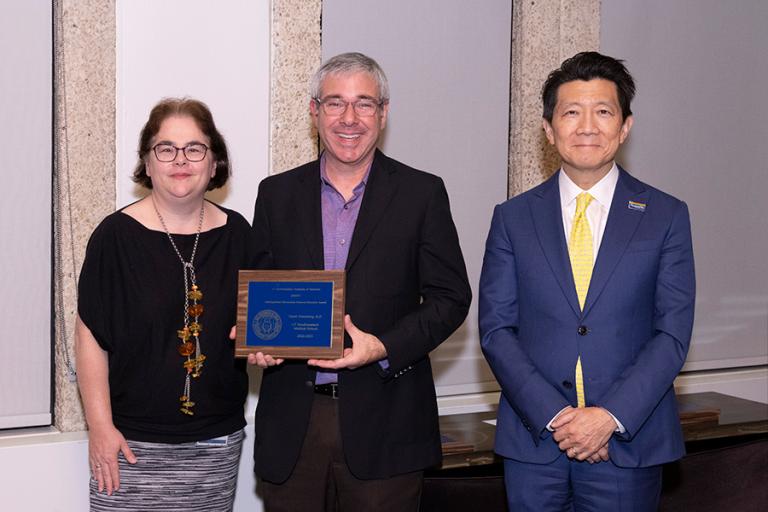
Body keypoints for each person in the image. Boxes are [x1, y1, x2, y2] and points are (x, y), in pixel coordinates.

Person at [247, 52, 471, 511]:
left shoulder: (421, 193)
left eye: (365, 104)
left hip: (387, 424)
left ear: (383, 114)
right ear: (314, 112)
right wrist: (258, 338)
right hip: (294, 425)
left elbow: (451, 299)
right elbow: (261, 296)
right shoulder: (276, 194)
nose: (349, 118)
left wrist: (383, 347)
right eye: (335, 103)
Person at [479, 51, 695, 511]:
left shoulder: (666, 216)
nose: (587, 126)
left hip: (627, 445)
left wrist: (607, 418)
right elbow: (497, 330)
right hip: (534, 443)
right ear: (548, 129)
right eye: (571, 112)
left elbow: (672, 334)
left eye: (603, 111)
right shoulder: (513, 219)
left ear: (625, 126)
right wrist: (558, 418)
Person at [75, 98, 250, 511]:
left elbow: (261, 323)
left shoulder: (241, 235)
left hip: (215, 443)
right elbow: (90, 336)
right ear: (147, 163)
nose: (180, 160)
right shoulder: (114, 237)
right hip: (128, 444)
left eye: (195, 149)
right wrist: (100, 427)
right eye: (165, 149)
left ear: (214, 162)